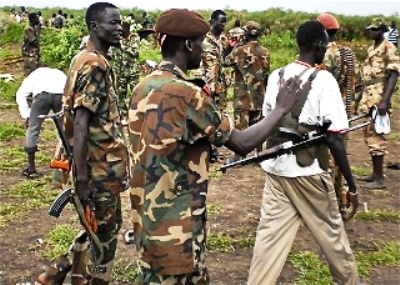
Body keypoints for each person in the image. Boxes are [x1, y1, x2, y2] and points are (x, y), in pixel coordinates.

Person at [128, 8, 303, 284]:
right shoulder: (187, 93)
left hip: (146, 222)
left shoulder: (143, 86)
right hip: (177, 227)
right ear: (188, 45)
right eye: (200, 42)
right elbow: (242, 143)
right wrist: (279, 109)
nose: (202, 48)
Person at [247, 20, 360, 285]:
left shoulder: (277, 75)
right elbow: (335, 140)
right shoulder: (324, 80)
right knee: (331, 234)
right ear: (320, 46)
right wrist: (351, 186)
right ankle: (350, 281)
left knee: (269, 239)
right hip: (309, 173)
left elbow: (268, 120)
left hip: (276, 171)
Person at [38, 3, 127, 284]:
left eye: (120, 22)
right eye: (113, 23)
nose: (119, 28)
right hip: (98, 166)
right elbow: (80, 122)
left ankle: (57, 271)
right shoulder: (94, 64)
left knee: (97, 226)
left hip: (98, 164)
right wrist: (83, 177)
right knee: (107, 234)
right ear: (94, 27)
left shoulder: (84, 57)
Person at [316, 13, 360, 209]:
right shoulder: (348, 54)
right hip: (345, 112)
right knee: (341, 157)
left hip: (327, 114)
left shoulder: (325, 54)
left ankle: (328, 205)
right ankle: (341, 200)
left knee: (326, 161)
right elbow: (358, 82)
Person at [356, 18, 400, 189]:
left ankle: (380, 179)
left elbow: (394, 75)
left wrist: (385, 100)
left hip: (379, 94)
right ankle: (375, 173)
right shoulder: (370, 48)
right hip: (369, 93)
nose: (372, 32)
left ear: (383, 30)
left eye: (375, 29)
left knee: (377, 133)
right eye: (370, 29)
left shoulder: (389, 48)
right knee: (368, 133)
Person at [224, 21, 270, 161]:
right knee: (258, 127)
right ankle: (259, 155)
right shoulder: (265, 52)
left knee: (241, 127)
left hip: (242, 97)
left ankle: (239, 157)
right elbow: (266, 74)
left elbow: (225, 61)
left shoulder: (240, 51)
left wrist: (233, 46)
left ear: (246, 33)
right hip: (259, 96)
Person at [16, 67, 66, 178]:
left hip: (42, 96)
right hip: (61, 96)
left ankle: (32, 169)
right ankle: (65, 162)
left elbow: (21, 94)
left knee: (33, 129)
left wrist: (27, 116)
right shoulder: (60, 73)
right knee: (64, 130)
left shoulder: (36, 74)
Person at [200, 9, 230, 112]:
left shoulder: (224, 39)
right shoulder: (202, 38)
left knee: (220, 118)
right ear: (213, 21)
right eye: (221, 21)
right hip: (206, 87)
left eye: (225, 21)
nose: (224, 24)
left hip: (220, 87)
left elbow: (224, 61)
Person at [112, 17, 141, 122]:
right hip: (120, 71)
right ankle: (123, 116)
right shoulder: (117, 38)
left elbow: (135, 52)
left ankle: (138, 115)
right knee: (120, 95)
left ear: (127, 29)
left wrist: (122, 45)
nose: (120, 29)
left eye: (122, 28)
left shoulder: (134, 38)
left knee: (136, 93)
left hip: (133, 71)